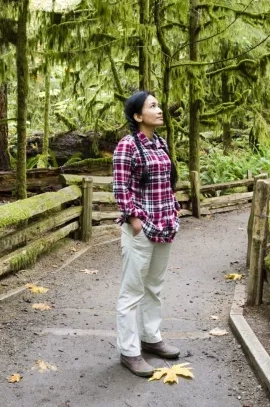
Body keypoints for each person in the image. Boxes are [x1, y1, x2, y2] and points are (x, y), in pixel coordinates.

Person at [113, 90, 181, 377]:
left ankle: (151, 338)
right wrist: (134, 219)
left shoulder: (161, 143)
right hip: (141, 227)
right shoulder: (127, 146)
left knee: (155, 286)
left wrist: (174, 210)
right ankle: (129, 352)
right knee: (132, 292)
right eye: (152, 106)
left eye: (158, 104)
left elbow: (167, 182)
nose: (159, 109)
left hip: (165, 224)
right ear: (138, 116)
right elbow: (120, 187)